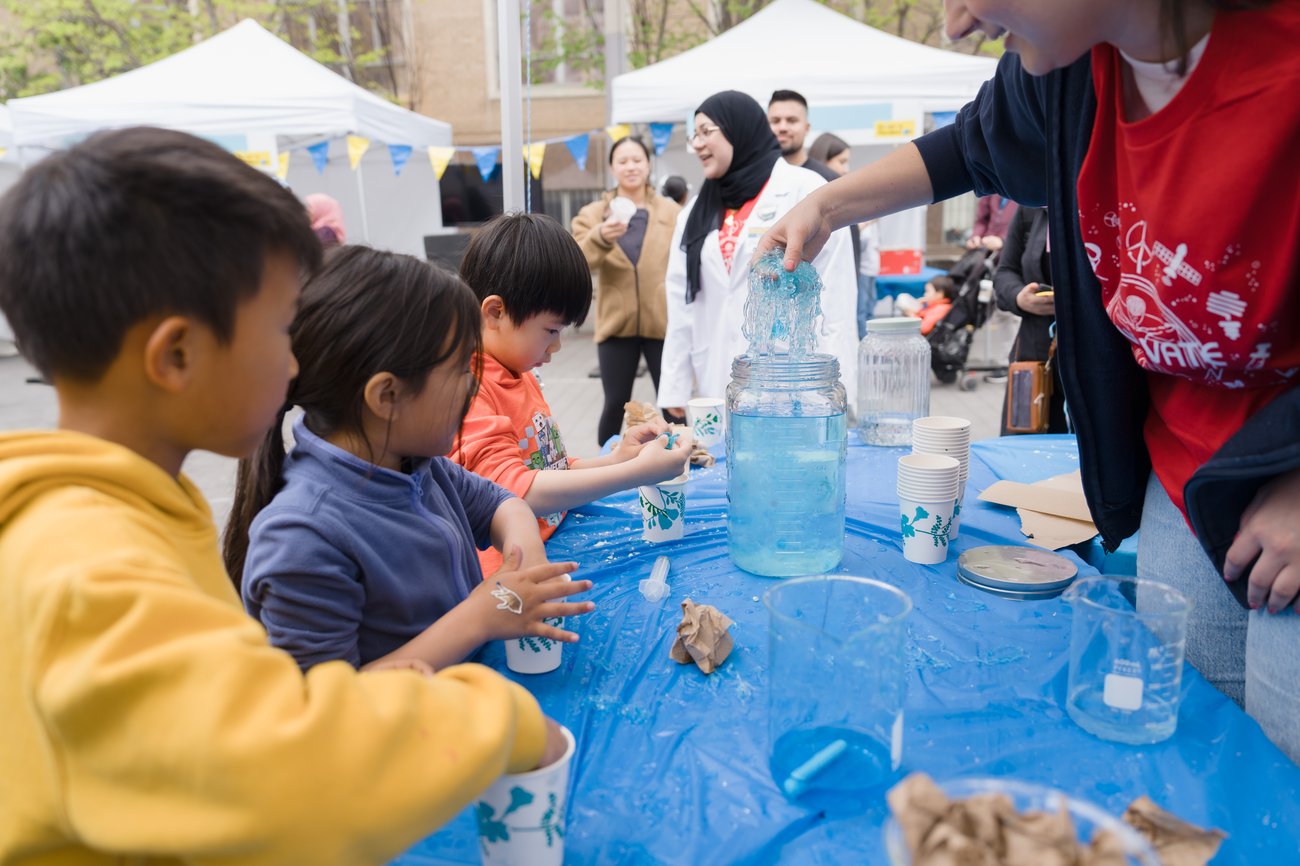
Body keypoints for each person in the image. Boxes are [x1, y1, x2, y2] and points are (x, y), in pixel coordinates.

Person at [0, 127, 568, 865]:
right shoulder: (87, 567)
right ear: (177, 354)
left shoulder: (121, 511)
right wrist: (504, 722)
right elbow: (288, 779)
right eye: (278, 329)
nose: (297, 362)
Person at [758, 0, 1300, 763]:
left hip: (1287, 476)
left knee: (1281, 759)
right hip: (1187, 470)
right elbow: (964, 150)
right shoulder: (1071, 68)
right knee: (1193, 743)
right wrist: (827, 204)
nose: (956, 23)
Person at [225, 246, 596, 672]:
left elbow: (504, 504)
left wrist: (525, 551)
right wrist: (477, 620)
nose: (472, 387)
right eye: (460, 370)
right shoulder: (302, 537)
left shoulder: (415, 463)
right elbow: (326, 709)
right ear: (387, 396)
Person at [455, 213, 692, 574]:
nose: (557, 347)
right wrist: (636, 474)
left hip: (554, 538)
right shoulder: (469, 387)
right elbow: (517, 492)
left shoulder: (517, 370)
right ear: (495, 311)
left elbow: (548, 469)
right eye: (551, 330)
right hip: (508, 574)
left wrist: (619, 461)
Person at [660, 91, 859, 420]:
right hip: (716, 375)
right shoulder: (695, 212)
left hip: (791, 381)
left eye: (706, 131)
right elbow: (681, 303)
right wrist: (674, 386)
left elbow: (837, 301)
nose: (696, 144)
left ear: (740, 130)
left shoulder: (806, 191)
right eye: (693, 134)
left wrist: (840, 392)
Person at [571, 136, 683, 445]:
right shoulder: (593, 214)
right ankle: (607, 469)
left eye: (637, 160)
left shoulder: (671, 211)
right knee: (614, 403)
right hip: (616, 325)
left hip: (664, 323)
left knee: (673, 403)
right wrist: (600, 237)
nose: (631, 166)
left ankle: (685, 462)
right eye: (623, 161)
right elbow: (576, 261)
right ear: (612, 168)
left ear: (648, 165)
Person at [768, 91, 860, 275]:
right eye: (775, 121)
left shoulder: (828, 180)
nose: (782, 127)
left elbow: (850, 247)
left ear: (807, 127)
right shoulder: (760, 180)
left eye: (792, 120)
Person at [994, 206, 1068, 434]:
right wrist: (1019, 297)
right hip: (1033, 350)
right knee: (1024, 439)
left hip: (1092, 354)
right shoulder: (1030, 208)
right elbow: (1005, 271)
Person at [809, 132, 881, 337]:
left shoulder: (838, 196)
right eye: (841, 162)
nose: (845, 169)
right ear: (824, 160)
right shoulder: (816, 195)